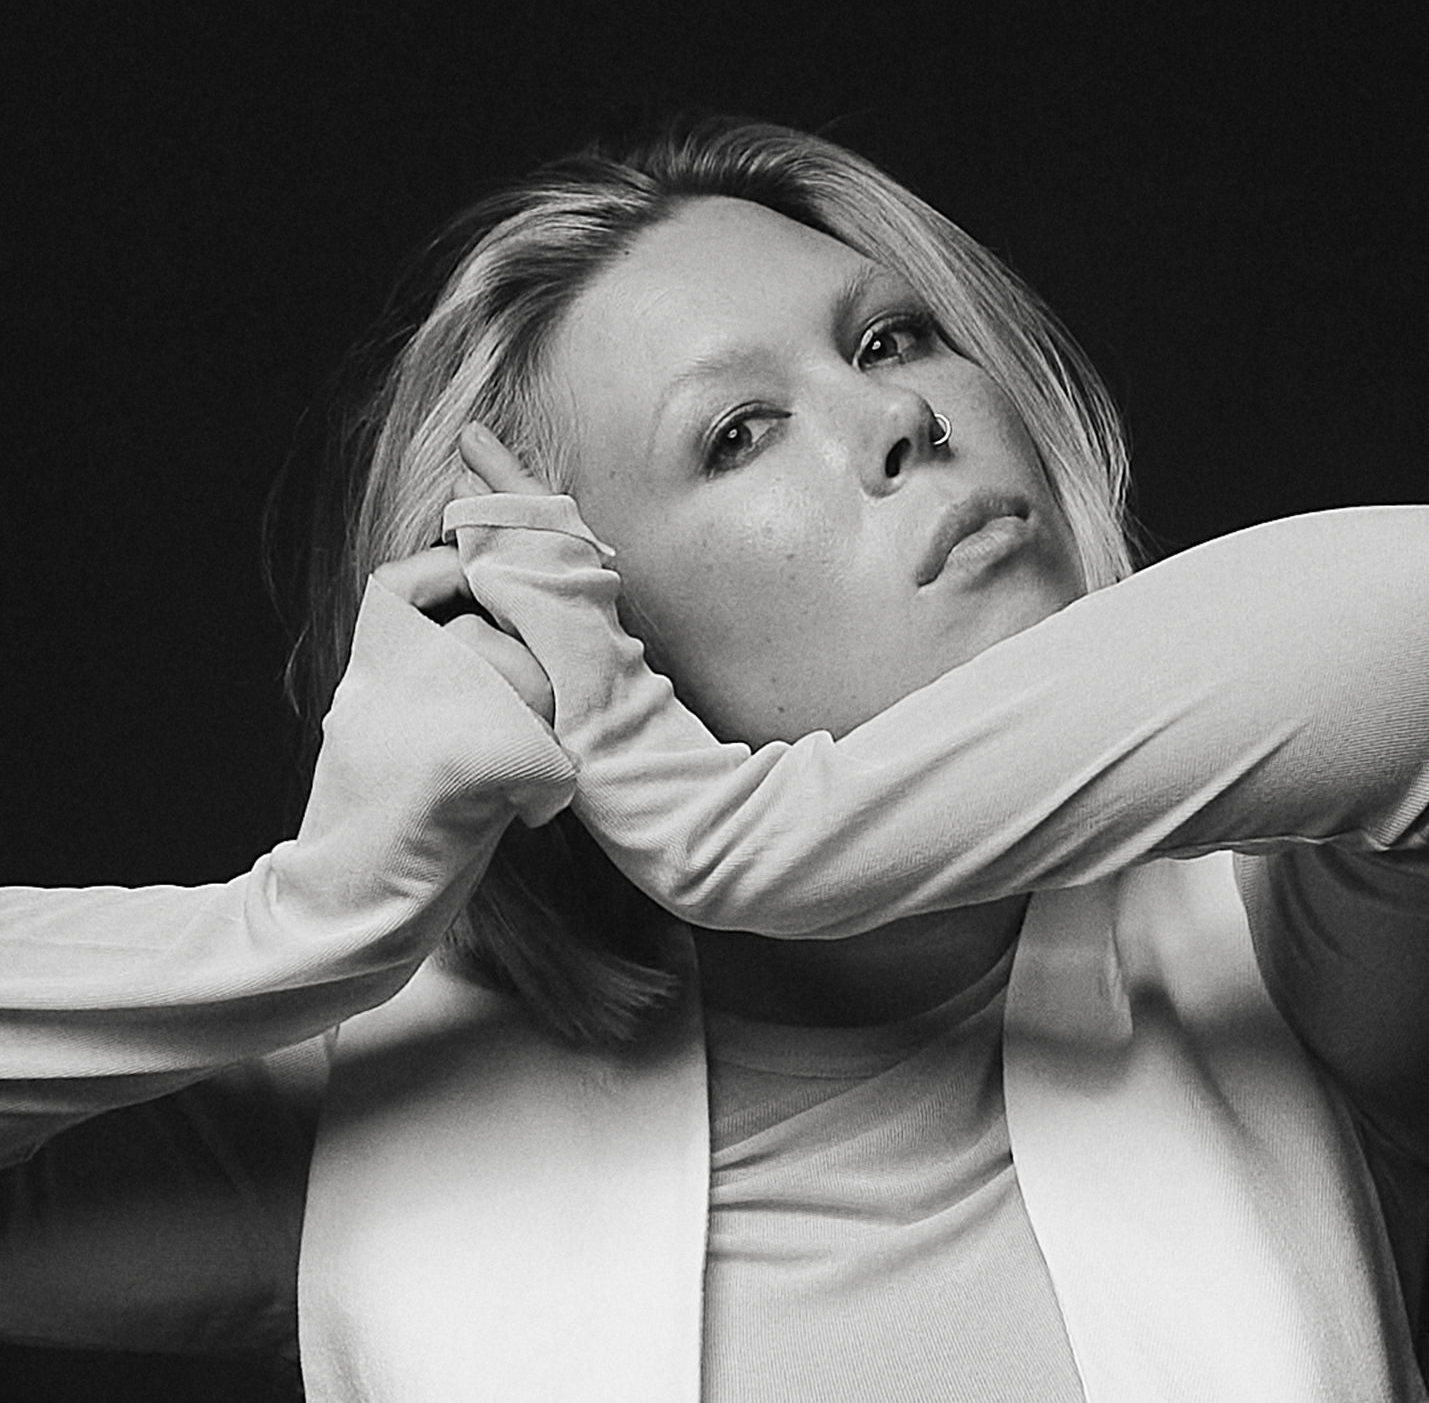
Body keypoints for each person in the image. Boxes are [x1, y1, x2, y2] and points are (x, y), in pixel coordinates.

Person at [2, 115, 1427, 1403]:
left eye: (891, 340)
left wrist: (753, 837)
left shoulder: (1286, 948)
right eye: (738, 434)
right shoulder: (385, 1113)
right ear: (560, 615)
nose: (901, 419)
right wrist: (303, 922)